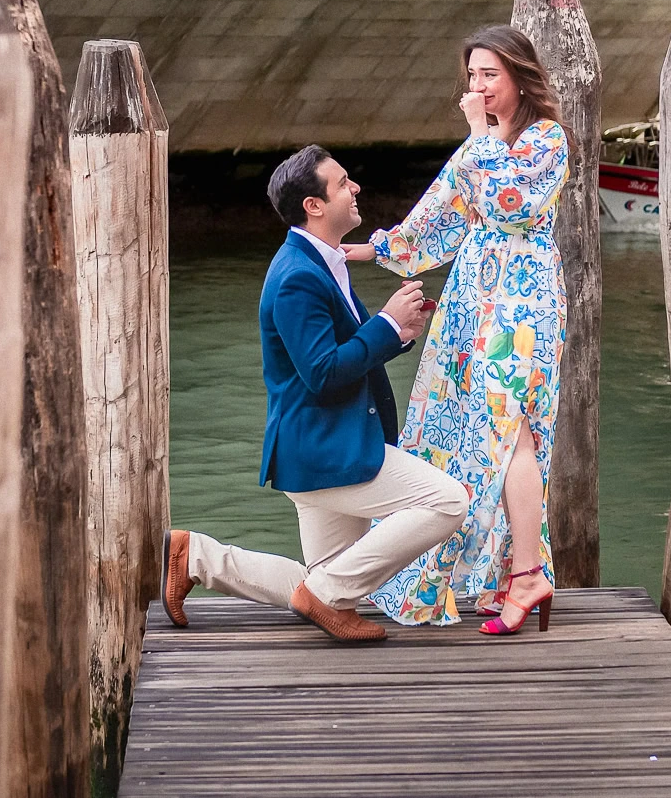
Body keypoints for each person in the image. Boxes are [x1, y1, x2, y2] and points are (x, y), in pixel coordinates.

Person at [160, 146, 464, 643]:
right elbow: (322, 372)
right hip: (326, 449)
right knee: (448, 501)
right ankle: (322, 596)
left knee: (328, 581)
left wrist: (398, 331)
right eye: (343, 182)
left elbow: (338, 354)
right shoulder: (298, 276)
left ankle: (193, 556)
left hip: (318, 446)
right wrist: (385, 325)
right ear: (314, 206)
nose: (356, 188)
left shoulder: (320, 261)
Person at [342, 25, 569, 637]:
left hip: (522, 304)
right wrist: (366, 251)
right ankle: (508, 574)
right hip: (473, 300)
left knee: (510, 425)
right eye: (472, 76)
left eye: (489, 75)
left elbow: (512, 204)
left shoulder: (547, 139)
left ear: (520, 75)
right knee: (469, 432)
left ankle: (527, 573)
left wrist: (477, 138)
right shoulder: (485, 143)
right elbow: (442, 215)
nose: (478, 88)